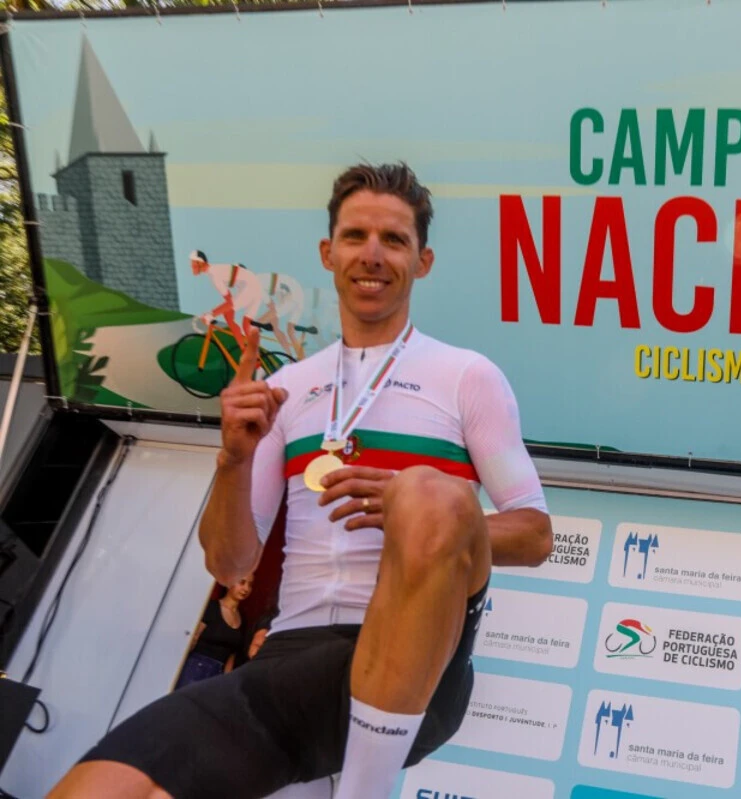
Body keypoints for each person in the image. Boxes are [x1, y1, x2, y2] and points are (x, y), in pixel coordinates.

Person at [49, 162, 553, 799]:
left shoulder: (467, 376)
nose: (372, 255)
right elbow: (230, 559)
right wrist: (231, 458)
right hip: (294, 656)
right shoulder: (284, 389)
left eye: (394, 240)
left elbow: (535, 535)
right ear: (328, 252)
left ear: (422, 261)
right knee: (98, 788)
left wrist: (411, 510)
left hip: (422, 655)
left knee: (429, 493)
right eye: (356, 236)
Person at [174, 576, 253, 689]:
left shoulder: (243, 618)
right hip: (195, 667)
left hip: (217, 674)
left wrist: (225, 681)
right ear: (229, 583)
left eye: (250, 585)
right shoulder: (211, 607)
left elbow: (232, 655)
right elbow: (193, 639)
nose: (246, 588)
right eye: (242, 582)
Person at [190, 249, 266, 348]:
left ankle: (245, 352)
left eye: (193, 263)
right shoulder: (215, 271)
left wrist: (210, 315)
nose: (191, 266)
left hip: (250, 287)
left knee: (228, 314)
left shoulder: (214, 275)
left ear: (200, 262)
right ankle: (253, 356)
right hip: (254, 287)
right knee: (240, 322)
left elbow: (230, 303)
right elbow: (229, 300)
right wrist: (214, 313)